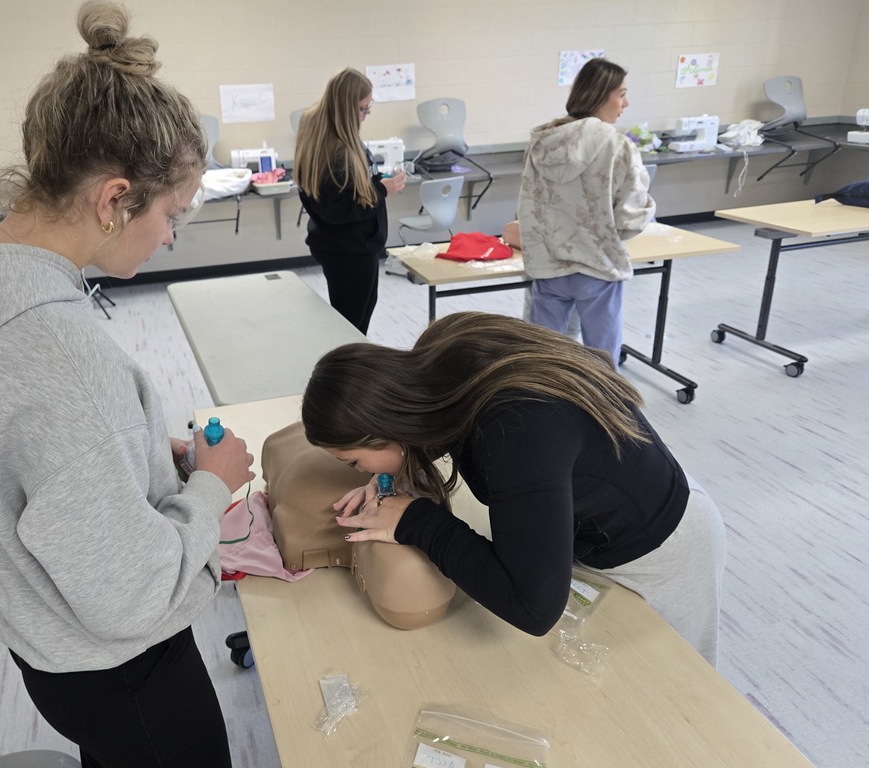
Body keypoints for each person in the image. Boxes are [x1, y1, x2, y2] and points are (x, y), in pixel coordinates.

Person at [0, 3, 254, 766]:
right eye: (172, 213)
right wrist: (210, 488)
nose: (172, 235)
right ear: (115, 200)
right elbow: (129, 592)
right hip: (122, 666)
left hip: (48, 643)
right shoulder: (60, 356)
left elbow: (45, 463)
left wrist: (143, 454)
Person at [301, 311, 726, 667]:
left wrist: (418, 522)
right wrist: (394, 468)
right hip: (608, 505)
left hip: (663, 554)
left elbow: (534, 608)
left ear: (386, 427)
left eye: (355, 462)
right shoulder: (444, 350)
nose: (360, 473)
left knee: (675, 692)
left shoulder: (513, 431)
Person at [502, 57, 655, 367]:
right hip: (597, 266)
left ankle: (544, 407)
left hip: (548, 266)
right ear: (601, 94)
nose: (626, 102)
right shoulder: (618, 146)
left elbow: (528, 204)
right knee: (601, 361)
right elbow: (631, 216)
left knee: (543, 358)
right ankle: (603, 409)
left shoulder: (542, 142)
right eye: (621, 93)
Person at [293, 67, 406, 334]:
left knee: (356, 316)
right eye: (362, 109)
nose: (365, 116)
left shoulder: (333, 139)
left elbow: (347, 194)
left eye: (368, 109)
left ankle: (347, 369)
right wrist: (383, 191)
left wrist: (377, 185)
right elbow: (339, 209)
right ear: (344, 108)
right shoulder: (336, 151)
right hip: (349, 248)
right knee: (352, 323)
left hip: (349, 246)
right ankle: (344, 373)